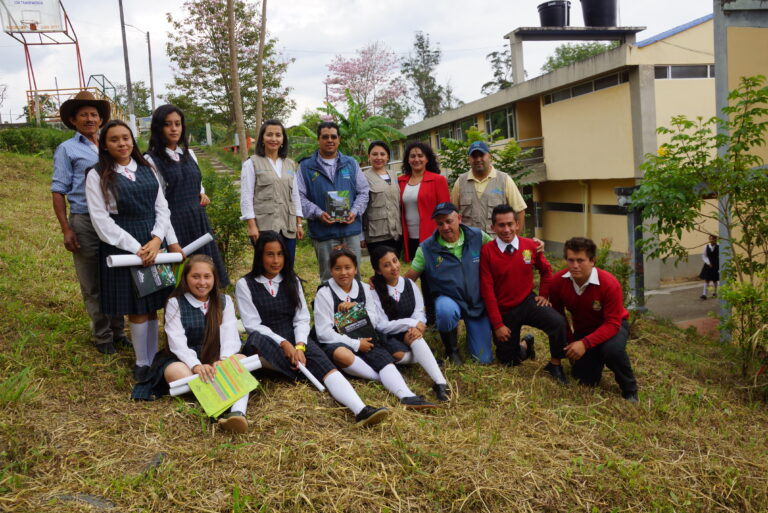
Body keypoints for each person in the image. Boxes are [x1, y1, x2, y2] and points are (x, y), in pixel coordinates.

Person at [236, 231, 389, 427]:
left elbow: (301, 318)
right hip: (265, 341)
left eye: (280, 254)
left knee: (325, 364)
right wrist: (284, 344)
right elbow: (252, 325)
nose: (276, 260)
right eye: (270, 254)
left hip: (296, 337)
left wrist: (299, 345)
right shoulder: (245, 284)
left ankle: (361, 410)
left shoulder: (292, 280)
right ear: (260, 256)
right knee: (254, 345)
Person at [85, 120, 181, 381]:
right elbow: (101, 221)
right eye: (114, 139)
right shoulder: (97, 174)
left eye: (126, 138)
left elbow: (162, 207)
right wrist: (137, 249)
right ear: (104, 145)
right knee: (137, 307)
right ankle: (142, 362)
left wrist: (156, 239)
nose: (122, 143)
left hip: (152, 240)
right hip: (124, 244)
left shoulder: (148, 168)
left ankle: (153, 357)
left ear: (132, 140)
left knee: (152, 304)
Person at [132, 255, 250, 433]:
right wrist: (195, 366)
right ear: (186, 278)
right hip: (185, 359)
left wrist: (224, 360)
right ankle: (226, 395)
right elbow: (177, 342)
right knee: (176, 373)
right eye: (195, 276)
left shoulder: (225, 301)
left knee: (241, 361)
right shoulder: (175, 302)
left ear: (214, 278)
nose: (202, 282)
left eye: (206, 276)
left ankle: (237, 413)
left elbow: (230, 335)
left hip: (215, 356)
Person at [51, 90, 126, 355]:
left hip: (116, 220)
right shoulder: (67, 149)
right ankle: (103, 336)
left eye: (94, 114)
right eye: (84, 114)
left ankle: (119, 330)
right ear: (73, 120)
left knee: (117, 275)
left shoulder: (109, 144)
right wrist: (66, 228)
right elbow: (58, 190)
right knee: (92, 281)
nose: (90, 118)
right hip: (85, 221)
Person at [313, 247, 435, 409]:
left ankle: (407, 395)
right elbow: (324, 333)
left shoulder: (363, 288)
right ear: (331, 271)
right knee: (342, 354)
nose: (344, 273)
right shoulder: (325, 293)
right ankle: (382, 378)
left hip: (366, 336)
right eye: (337, 268)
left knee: (384, 359)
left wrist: (356, 309)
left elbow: (373, 318)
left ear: (356, 269)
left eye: (348, 267)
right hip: (338, 340)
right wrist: (356, 344)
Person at [479, 205, 568, 384]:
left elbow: (546, 270)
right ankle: (526, 344)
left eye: (510, 224)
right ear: (493, 228)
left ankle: (555, 364)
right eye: (501, 225)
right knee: (508, 361)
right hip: (504, 309)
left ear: (517, 224)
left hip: (527, 301)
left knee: (558, 322)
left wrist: (544, 294)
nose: (506, 229)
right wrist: (497, 325)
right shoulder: (487, 251)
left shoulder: (530, 246)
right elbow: (487, 290)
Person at [145, 104, 229, 285]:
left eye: (178, 123)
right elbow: (158, 202)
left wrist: (201, 193)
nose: (174, 128)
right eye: (168, 124)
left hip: (198, 222)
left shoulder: (189, 154)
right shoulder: (151, 160)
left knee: (205, 279)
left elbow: (197, 183)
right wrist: (170, 239)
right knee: (178, 283)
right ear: (158, 128)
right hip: (173, 225)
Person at [548, 237, 639, 402]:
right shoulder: (557, 282)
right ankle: (596, 357)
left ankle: (630, 389)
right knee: (585, 380)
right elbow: (559, 317)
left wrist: (584, 344)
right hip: (584, 329)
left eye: (580, 260)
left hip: (613, 326)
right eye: (571, 260)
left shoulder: (609, 284)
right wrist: (570, 344)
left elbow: (612, 324)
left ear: (592, 261)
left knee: (612, 351)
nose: (575, 266)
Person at [405, 203, 494, 365]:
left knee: (483, 359)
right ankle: (451, 349)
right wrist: (385, 283)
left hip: (476, 302)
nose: (445, 227)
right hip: (449, 300)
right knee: (445, 310)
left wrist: (528, 246)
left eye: (449, 221)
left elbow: (498, 252)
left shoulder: (478, 236)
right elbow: (409, 278)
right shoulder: (426, 248)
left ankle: (474, 335)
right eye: (440, 223)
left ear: (459, 218)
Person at [369, 245, 450, 402]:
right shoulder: (374, 291)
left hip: (409, 332)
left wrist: (417, 325)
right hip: (388, 335)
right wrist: (411, 323)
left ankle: (441, 383)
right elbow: (381, 325)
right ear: (378, 271)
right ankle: (428, 358)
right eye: (386, 265)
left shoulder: (409, 284)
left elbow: (419, 311)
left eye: (395, 261)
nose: (394, 267)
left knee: (415, 336)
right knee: (399, 356)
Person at [296, 122, 368, 281]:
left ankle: (355, 306)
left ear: (339, 139)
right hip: (324, 232)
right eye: (325, 137)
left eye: (333, 136)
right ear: (318, 139)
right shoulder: (305, 166)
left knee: (353, 276)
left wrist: (354, 211)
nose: (330, 140)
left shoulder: (351, 163)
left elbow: (363, 191)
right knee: (329, 277)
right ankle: (329, 306)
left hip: (350, 230)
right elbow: (298, 197)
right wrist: (318, 213)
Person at [240, 119, 304, 261]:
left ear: (283, 139)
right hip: (264, 226)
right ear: (262, 138)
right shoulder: (252, 163)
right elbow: (246, 196)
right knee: (266, 267)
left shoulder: (290, 164)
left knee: (287, 266)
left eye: (278, 135)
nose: (274, 139)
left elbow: (295, 196)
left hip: (288, 226)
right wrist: (251, 226)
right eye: (269, 135)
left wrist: (299, 223)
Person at [450, 141, 527, 235]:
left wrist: (513, 239)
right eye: (474, 156)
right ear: (468, 159)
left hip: (496, 243)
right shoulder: (460, 182)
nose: (478, 159)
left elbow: (519, 211)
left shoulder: (504, 180)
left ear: (490, 157)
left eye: (482, 155)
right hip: (469, 244)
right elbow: (452, 214)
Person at [398, 142, 450, 262]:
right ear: (408, 160)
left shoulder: (438, 180)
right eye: (412, 156)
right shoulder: (400, 181)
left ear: (427, 159)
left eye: (420, 156)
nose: (416, 159)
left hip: (432, 236)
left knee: (432, 273)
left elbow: (446, 211)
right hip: (409, 236)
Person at [361, 141, 402, 256]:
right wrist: (361, 236)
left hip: (396, 234)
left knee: (394, 268)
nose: (379, 157)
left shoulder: (393, 175)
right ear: (369, 156)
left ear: (388, 157)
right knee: (381, 270)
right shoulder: (363, 177)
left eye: (382, 154)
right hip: (376, 236)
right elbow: (361, 209)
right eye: (374, 154)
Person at [699, 234, 719, 300]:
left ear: (715, 240)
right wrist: (708, 263)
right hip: (708, 265)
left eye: (713, 239)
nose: (711, 240)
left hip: (716, 265)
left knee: (715, 280)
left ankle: (715, 292)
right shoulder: (706, 247)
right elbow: (704, 256)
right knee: (706, 279)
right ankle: (704, 294)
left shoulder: (718, 247)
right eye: (710, 239)